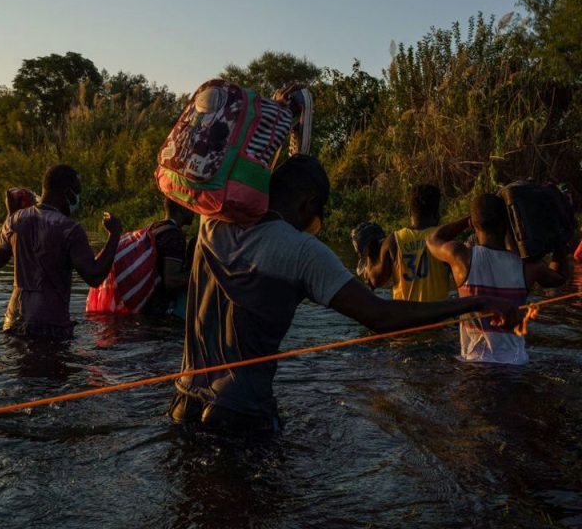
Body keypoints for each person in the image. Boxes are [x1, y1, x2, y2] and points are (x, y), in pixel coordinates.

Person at [170, 155, 520, 436]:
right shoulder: (304, 252)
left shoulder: (211, 218)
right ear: (309, 204)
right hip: (242, 413)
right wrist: (474, 302)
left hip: (183, 402)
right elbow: (381, 316)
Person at [426, 193, 571, 364]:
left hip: (474, 366)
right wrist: (560, 241)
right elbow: (560, 277)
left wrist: (468, 220)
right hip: (516, 366)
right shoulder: (528, 267)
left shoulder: (461, 258)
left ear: (474, 224)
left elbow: (433, 239)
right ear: (507, 223)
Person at [0, 164, 123, 339]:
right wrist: (114, 235)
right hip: (50, 326)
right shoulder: (69, 229)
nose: (78, 198)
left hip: (12, 322)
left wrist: (10, 214)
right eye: (77, 191)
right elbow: (94, 276)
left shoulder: (16, 220)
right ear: (67, 193)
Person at [360, 184, 453, 301]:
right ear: (437, 213)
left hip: (404, 312)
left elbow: (375, 281)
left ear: (409, 212)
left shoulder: (393, 241)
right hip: (439, 312)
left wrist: (369, 250)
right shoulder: (445, 240)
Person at [141, 198, 195, 318]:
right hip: (160, 311)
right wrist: (201, 274)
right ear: (182, 208)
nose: (194, 211)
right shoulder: (174, 236)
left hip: (145, 305)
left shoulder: (153, 227)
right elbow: (172, 280)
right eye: (190, 206)